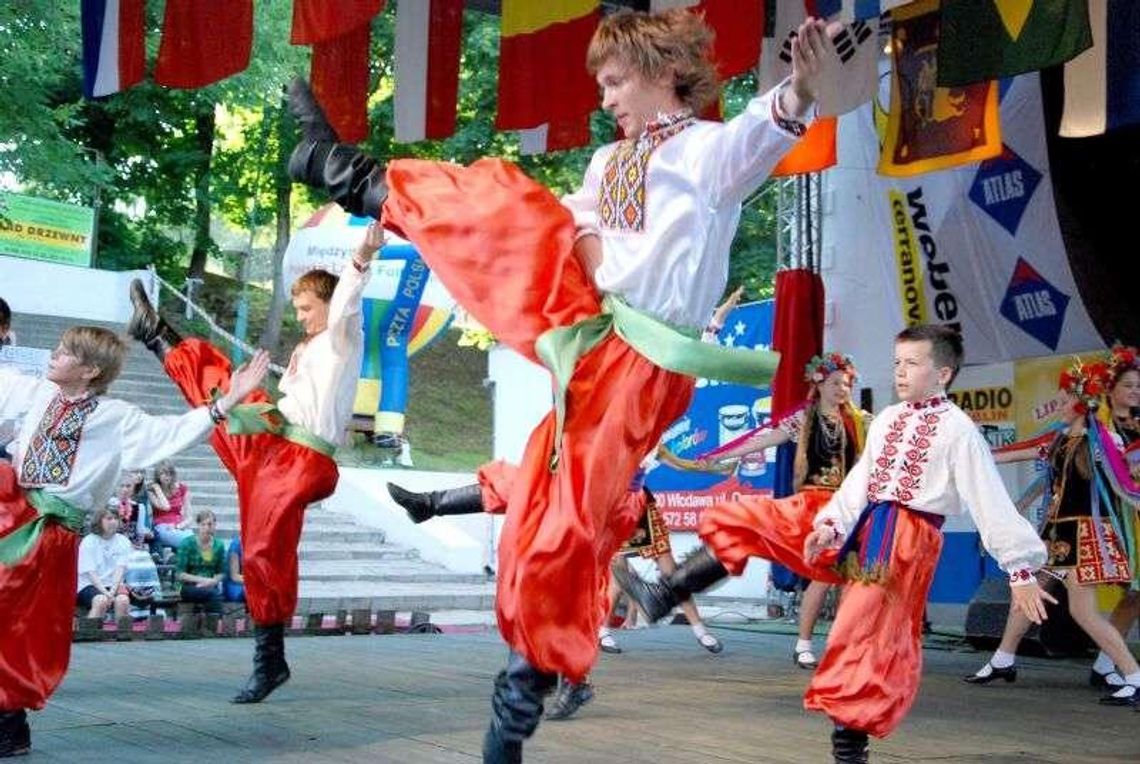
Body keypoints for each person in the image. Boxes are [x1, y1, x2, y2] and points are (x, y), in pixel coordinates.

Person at [288, 10, 833, 760]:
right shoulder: (609, 161)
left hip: (644, 363)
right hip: (594, 331)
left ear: (664, 73)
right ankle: (346, 172)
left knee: (569, 521)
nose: (605, 98)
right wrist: (585, 249)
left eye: (615, 82)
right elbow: (568, 224)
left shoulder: (705, 153)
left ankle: (523, 694)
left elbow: (758, 135)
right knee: (506, 207)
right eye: (601, 84)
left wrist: (799, 90)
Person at [615, 325, 1052, 763]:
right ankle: (667, 593)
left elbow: (988, 499)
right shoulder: (886, 419)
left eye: (912, 363)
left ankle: (849, 752)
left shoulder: (957, 430)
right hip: (858, 522)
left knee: (857, 636)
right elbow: (860, 482)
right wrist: (830, 524)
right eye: (897, 363)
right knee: (751, 519)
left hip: (904, 542)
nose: (900, 372)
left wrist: (1019, 570)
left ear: (943, 373)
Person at [126, 220, 383, 704]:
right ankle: (157, 334)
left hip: (299, 458)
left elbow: (348, 300)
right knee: (224, 395)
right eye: (298, 309)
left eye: (308, 308)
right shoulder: (311, 347)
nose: (301, 317)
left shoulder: (341, 336)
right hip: (274, 438)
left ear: (328, 304)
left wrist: (361, 258)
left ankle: (270, 660)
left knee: (263, 550)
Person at [0, 325, 266, 758]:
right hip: (14, 511)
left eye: (64, 352)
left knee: (19, 621)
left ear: (89, 370)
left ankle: (9, 721)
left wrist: (225, 403)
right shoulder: (38, 394)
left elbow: (168, 433)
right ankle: (9, 721)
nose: (53, 355)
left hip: (50, 534)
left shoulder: (113, 417)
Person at [966, 356, 1140, 706]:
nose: (1057, 406)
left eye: (1063, 401)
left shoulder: (1101, 441)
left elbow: (1126, 485)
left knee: (1083, 612)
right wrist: (970, 448)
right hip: (1057, 535)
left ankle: (1133, 676)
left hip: (1084, 535)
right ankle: (1003, 658)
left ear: (1081, 402)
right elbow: (1013, 454)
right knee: (1030, 590)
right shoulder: (1061, 439)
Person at [697, 351, 869, 669]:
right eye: (835, 383)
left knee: (850, 578)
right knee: (824, 576)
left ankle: (843, 647)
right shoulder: (804, 418)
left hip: (845, 508)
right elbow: (764, 440)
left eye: (846, 384)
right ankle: (805, 644)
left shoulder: (859, 421)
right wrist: (721, 455)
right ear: (819, 384)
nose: (842, 389)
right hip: (812, 507)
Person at [76, 507, 132, 621]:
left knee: (123, 600)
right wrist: (106, 593)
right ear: (99, 521)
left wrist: (111, 592)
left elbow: (120, 569)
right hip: (89, 584)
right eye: (109, 519)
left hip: (113, 584)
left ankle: (122, 631)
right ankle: (91, 630)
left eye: (116, 518)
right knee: (101, 600)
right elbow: (91, 573)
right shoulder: (88, 541)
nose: (113, 522)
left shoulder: (123, 541)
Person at [175, 509, 226, 615]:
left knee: (213, 592)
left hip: (210, 585)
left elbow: (221, 571)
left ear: (215, 525)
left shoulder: (219, 545)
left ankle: (212, 621)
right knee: (213, 594)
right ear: (198, 525)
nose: (207, 527)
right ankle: (217, 622)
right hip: (188, 585)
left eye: (210, 524)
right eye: (203, 524)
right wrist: (203, 580)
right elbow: (180, 574)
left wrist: (213, 581)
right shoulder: (187, 543)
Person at [147, 459, 193, 551]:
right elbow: (166, 507)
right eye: (162, 473)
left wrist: (178, 526)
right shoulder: (152, 491)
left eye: (169, 473)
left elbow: (190, 518)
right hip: (162, 527)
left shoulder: (182, 489)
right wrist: (157, 488)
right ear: (157, 475)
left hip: (180, 527)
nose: (166, 476)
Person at [224, 534, 245, 603]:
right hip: (236, 584)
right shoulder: (236, 545)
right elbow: (234, 577)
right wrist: (256, 582)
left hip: (252, 582)